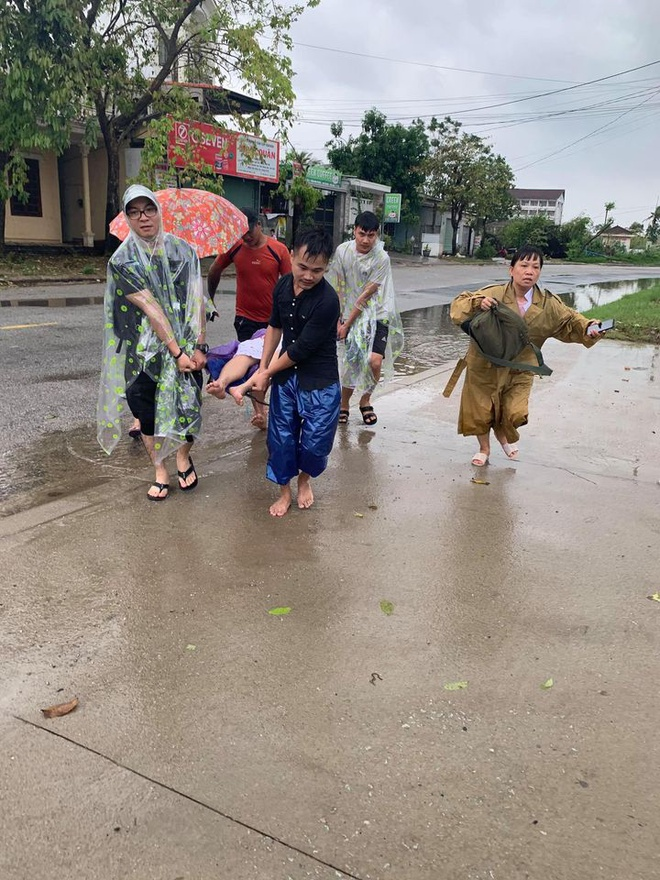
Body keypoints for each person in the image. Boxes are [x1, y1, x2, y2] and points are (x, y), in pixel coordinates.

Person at [449, 244, 607, 466]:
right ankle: (484, 449)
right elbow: (458, 306)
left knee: (515, 412)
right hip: (485, 364)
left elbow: (570, 321)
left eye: (535, 267)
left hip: (521, 368)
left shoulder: (549, 304)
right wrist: (477, 302)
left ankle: (503, 434)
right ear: (511, 270)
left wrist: (590, 326)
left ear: (540, 272)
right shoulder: (493, 293)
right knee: (480, 411)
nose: (529, 271)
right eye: (524, 265)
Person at [97, 184, 207, 501]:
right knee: (146, 412)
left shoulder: (183, 252)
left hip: (186, 347)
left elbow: (197, 299)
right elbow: (150, 307)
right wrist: (175, 353)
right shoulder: (123, 261)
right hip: (142, 354)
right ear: (127, 217)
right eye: (134, 211)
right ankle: (160, 467)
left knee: (188, 406)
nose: (143, 217)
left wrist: (200, 345)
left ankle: (183, 457)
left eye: (148, 209)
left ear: (159, 211)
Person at [244, 227, 340, 516]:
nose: (308, 276)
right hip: (286, 377)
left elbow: (299, 350)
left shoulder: (328, 301)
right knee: (281, 438)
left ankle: (304, 481)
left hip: (319, 380)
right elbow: (274, 326)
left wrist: (265, 374)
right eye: (302, 267)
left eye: (317, 270)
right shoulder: (283, 285)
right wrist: (263, 368)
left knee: (315, 443)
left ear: (326, 267)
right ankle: (284, 492)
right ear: (291, 255)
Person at [207, 207, 291, 427]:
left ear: (259, 225)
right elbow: (215, 270)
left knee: (269, 368)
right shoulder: (235, 247)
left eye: (248, 232)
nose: (246, 238)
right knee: (249, 361)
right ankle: (259, 412)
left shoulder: (278, 250)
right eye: (241, 234)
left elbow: (291, 283)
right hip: (245, 317)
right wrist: (211, 301)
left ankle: (263, 406)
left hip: (274, 320)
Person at [326, 211, 403, 426]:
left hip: (377, 313)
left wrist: (348, 323)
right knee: (352, 362)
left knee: (374, 361)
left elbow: (366, 295)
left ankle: (365, 400)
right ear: (354, 231)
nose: (366, 240)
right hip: (350, 311)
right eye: (362, 234)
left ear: (377, 235)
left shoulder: (381, 258)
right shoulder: (343, 251)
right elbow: (338, 287)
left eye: (371, 235)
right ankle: (343, 404)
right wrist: (338, 319)